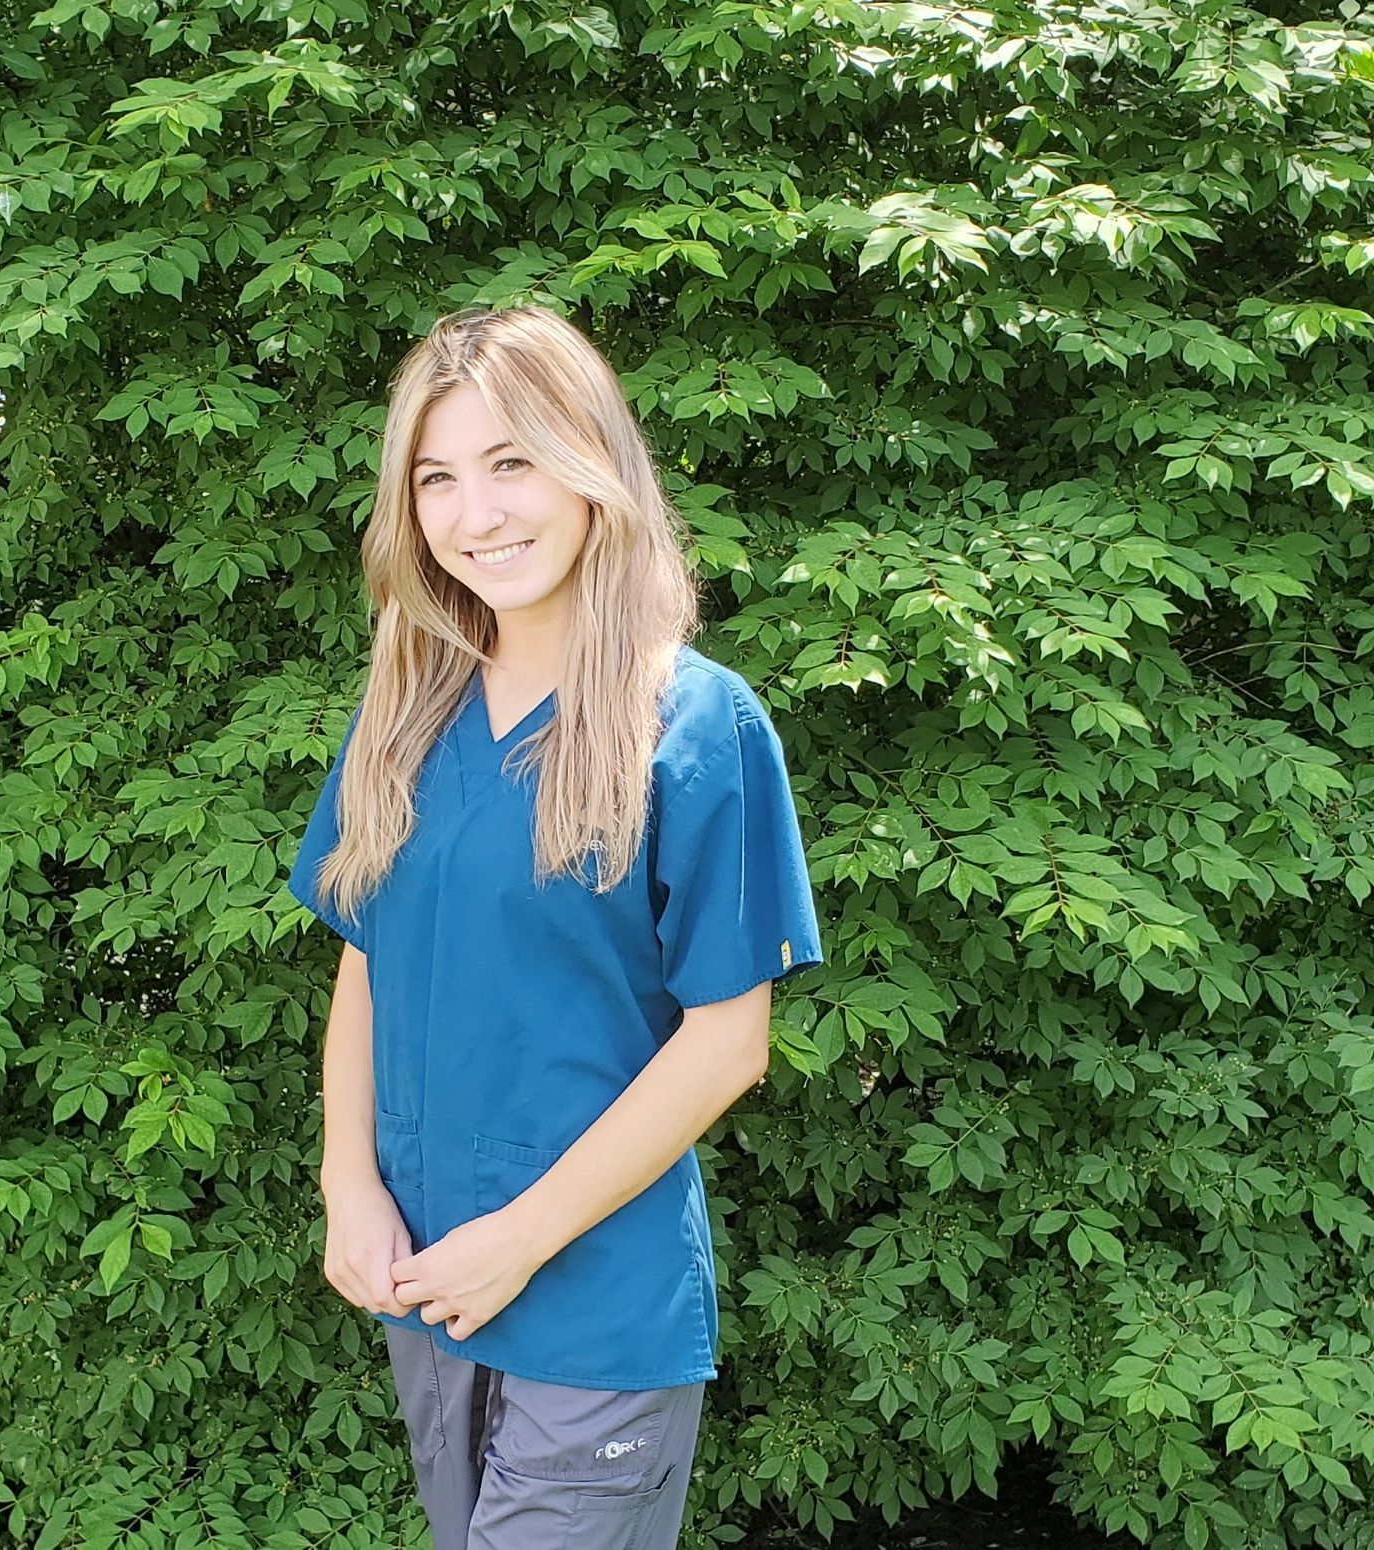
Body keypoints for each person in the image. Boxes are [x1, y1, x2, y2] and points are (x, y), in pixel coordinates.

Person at [286, 305, 823, 1549]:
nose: (477, 513)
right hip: (429, 1289)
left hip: (594, 1307)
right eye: (438, 478)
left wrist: (516, 1243)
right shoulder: (405, 716)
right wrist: (346, 1178)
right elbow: (366, 960)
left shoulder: (695, 725)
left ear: (591, 463)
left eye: (511, 460)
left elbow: (727, 1041)